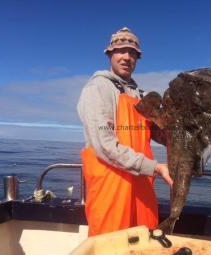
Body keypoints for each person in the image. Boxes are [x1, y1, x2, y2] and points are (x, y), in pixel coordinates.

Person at [77, 27, 173, 236]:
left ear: (137, 58)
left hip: (142, 190)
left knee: (144, 243)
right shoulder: (97, 89)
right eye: (120, 50)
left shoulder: (142, 96)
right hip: (111, 190)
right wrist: (155, 167)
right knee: (109, 246)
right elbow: (104, 144)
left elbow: (163, 136)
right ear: (110, 54)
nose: (126, 57)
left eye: (132, 53)